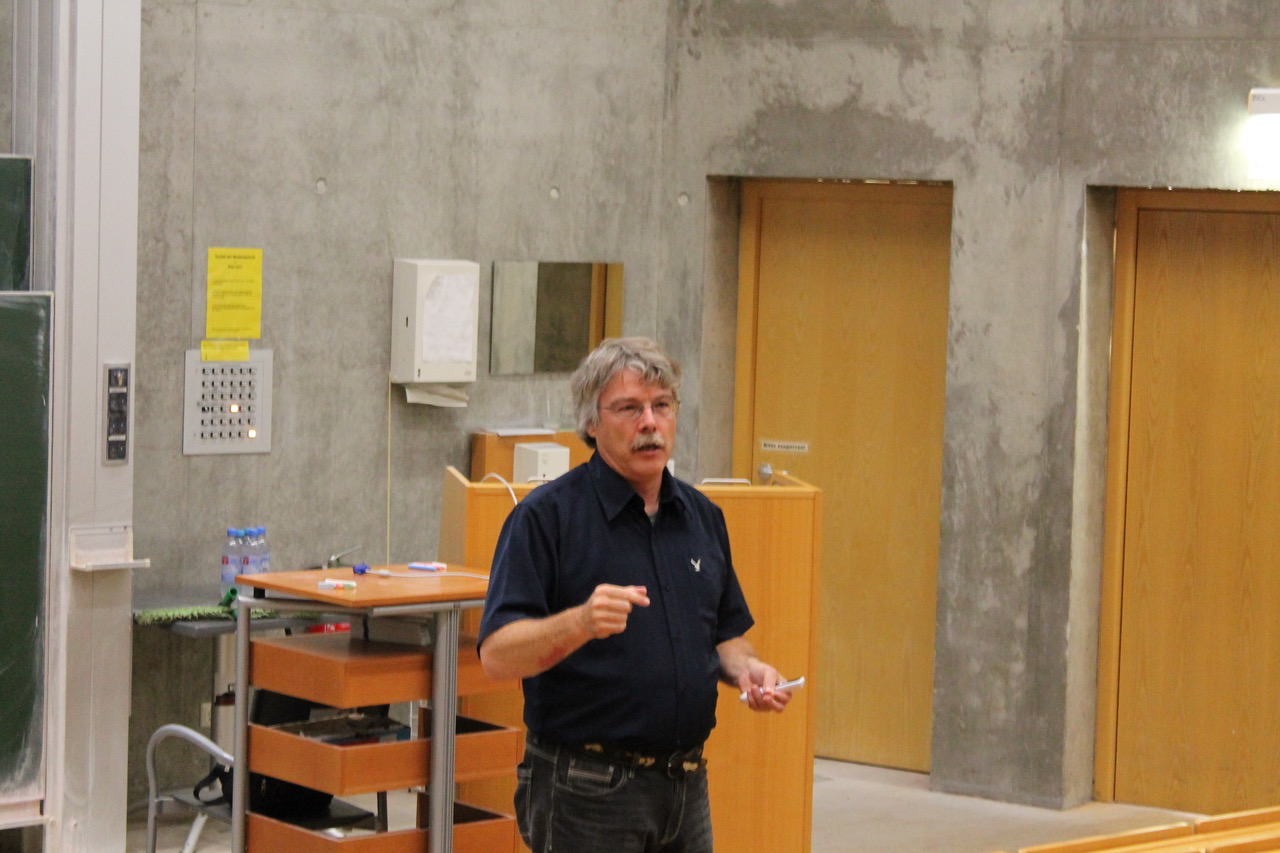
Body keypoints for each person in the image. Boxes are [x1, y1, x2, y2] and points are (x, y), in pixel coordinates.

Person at [477, 336, 794, 853]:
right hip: (587, 788)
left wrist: (747, 669)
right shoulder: (545, 518)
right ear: (591, 422)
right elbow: (497, 656)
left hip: (685, 784)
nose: (650, 423)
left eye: (661, 406)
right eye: (629, 408)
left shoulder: (702, 517)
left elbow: (724, 634)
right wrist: (580, 622)